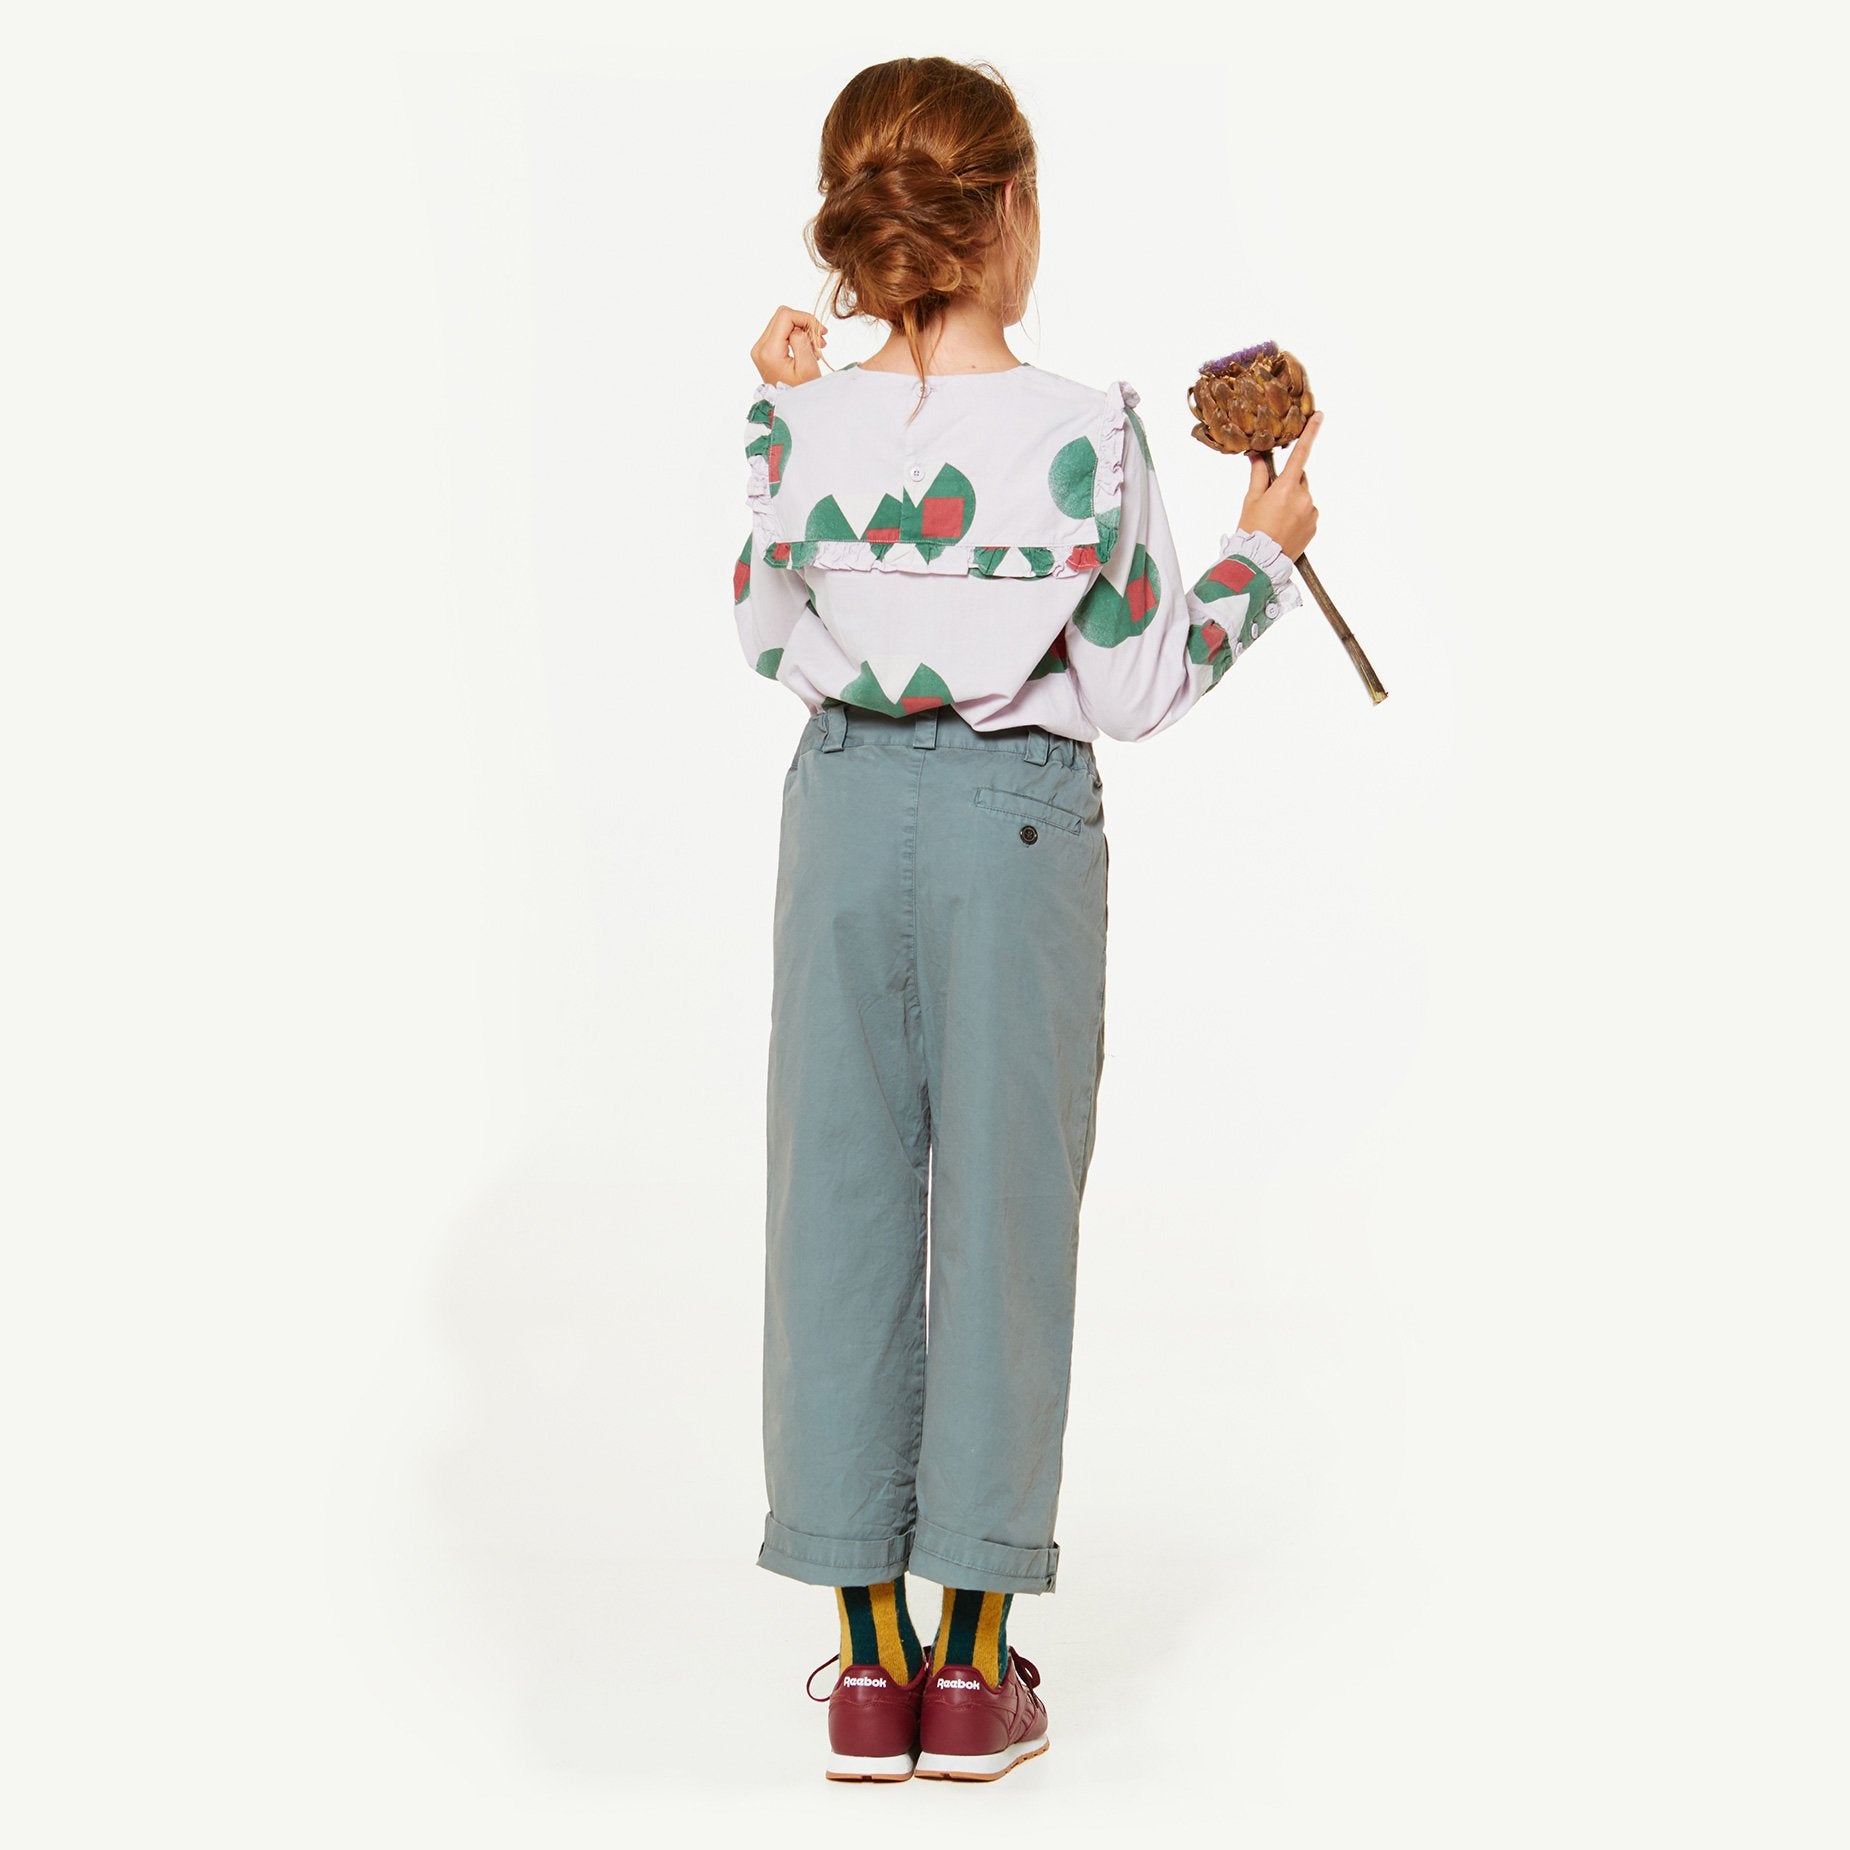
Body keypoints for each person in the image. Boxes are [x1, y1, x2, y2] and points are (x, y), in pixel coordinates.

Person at [732, 55, 1321, 1784]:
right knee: (1002, 1211)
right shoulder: (1087, 430)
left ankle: (865, 1671)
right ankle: (976, 1671)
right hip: (1012, 821)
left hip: (844, 806)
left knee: (835, 1200)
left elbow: (763, 628)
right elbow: (1133, 687)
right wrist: (1263, 551)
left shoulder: (788, 419)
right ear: (1005, 213)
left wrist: (784, 413)